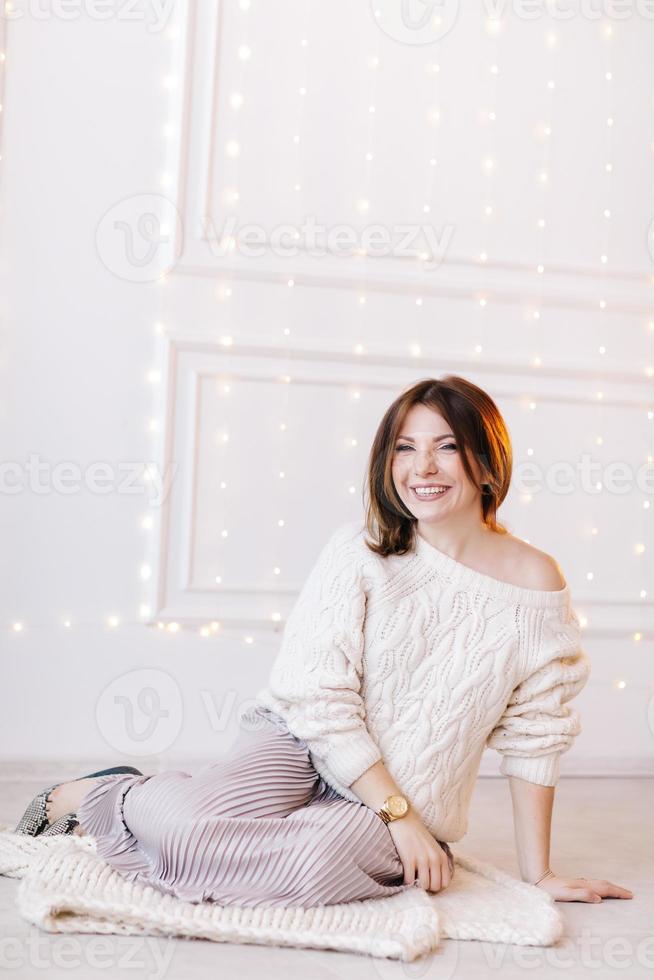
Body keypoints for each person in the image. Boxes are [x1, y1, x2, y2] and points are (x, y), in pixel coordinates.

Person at [15, 375, 633, 908]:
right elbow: (317, 698)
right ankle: (107, 793)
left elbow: (535, 731)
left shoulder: (535, 584)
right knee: (191, 830)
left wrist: (539, 873)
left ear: (487, 462)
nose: (423, 468)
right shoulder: (360, 551)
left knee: (309, 867)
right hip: (301, 742)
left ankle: (254, 829)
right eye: (405, 448)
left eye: (447, 447)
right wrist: (402, 818)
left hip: (402, 793)